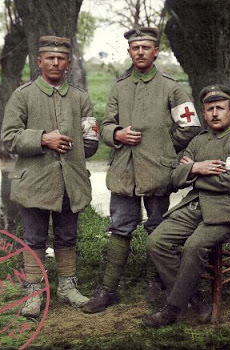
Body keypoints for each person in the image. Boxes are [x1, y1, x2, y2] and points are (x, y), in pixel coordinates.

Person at [83, 27, 201, 313]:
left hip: (159, 172)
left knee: (157, 227)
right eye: (135, 48)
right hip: (124, 171)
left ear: (155, 51)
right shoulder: (119, 87)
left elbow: (191, 125)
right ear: (129, 51)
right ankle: (108, 289)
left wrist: (164, 148)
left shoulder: (171, 86)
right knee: (120, 227)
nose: (140, 52)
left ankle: (155, 283)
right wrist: (117, 135)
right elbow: (106, 124)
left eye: (146, 47)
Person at [142, 84, 230, 328]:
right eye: (209, 109)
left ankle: (172, 309)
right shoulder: (198, 140)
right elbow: (174, 177)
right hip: (195, 207)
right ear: (203, 114)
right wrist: (196, 167)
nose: (215, 113)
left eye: (220, 108)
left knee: (193, 246)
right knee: (157, 241)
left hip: (228, 210)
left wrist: (193, 173)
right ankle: (195, 299)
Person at [1, 35, 99, 318]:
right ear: (39, 61)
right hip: (34, 182)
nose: (55, 62)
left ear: (68, 63)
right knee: (33, 238)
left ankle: (67, 287)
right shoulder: (23, 95)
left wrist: (81, 145)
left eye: (61, 58)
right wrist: (44, 139)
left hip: (71, 182)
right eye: (50, 58)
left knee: (68, 236)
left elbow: (91, 141)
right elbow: (9, 138)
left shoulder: (80, 98)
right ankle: (33, 292)